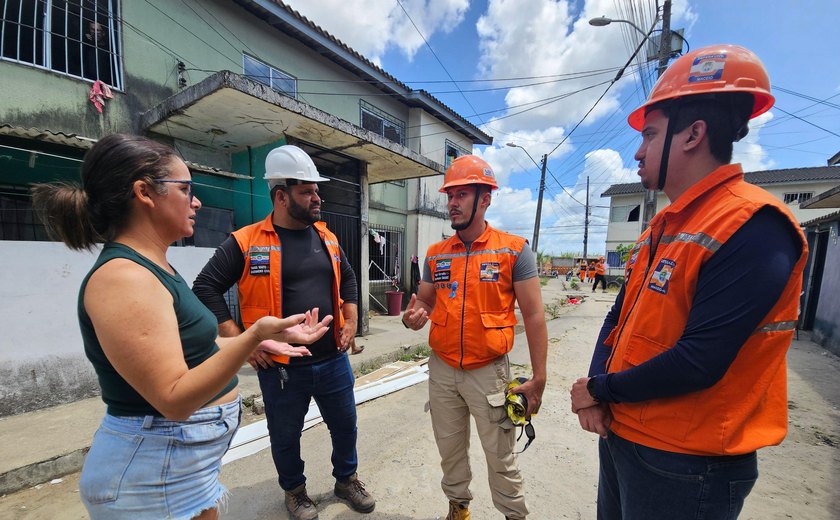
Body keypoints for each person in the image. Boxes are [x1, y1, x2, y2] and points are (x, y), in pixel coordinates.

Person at [30, 134, 331, 520]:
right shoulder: (124, 277)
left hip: (180, 466)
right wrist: (252, 335)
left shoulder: (155, 267)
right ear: (144, 192)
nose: (197, 201)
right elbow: (173, 397)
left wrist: (266, 340)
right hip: (151, 472)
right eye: (185, 188)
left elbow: (193, 353)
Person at [569, 44, 807, 519]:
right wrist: (595, 389)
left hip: (687, 462)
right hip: (628, 437)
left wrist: (601, 390)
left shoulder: (753, 225)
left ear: (693, 134)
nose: (637, 152)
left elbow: (699, 361)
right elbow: (618, 319)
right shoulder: (665, 227)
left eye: (650, 135)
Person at [192, 144, 373, 520]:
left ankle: (346, 479)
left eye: (316, 190)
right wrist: (243, 340)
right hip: (282, 367)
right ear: (280, 196)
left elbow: (350, 277)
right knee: (286, 435)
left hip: (333, 360)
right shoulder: (245, 242)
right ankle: (294, 491)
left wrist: (352, 318)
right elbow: (205, 287)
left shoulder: (327, 237)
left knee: (345, 425)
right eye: (307, 191)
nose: (316, 198)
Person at [401, 155, 548, 520]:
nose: (452, 202)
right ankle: (458, 510)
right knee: (449, 450)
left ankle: (514, 515)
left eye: (462, 194)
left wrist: (539, 378)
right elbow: (424, 302)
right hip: (443, 370)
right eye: (450, 195)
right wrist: (413, 315)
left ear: (485, 199)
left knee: (500, 455)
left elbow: (533, 315)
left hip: (490, 373)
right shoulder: (436, 255)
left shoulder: (513, 250)